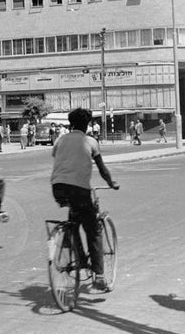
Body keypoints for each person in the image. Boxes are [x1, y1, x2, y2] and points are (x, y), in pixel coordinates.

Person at [50, 107, 119, 291]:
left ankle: (79, 258)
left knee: (75, 219)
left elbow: (60, 159)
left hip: (58, 188)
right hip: (79, 189)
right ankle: (99, 276)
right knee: (94, 229)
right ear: (87, 125)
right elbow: (102, 169)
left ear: (71, 124)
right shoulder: (90, 141)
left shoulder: (60, 140)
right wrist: (111, 183)